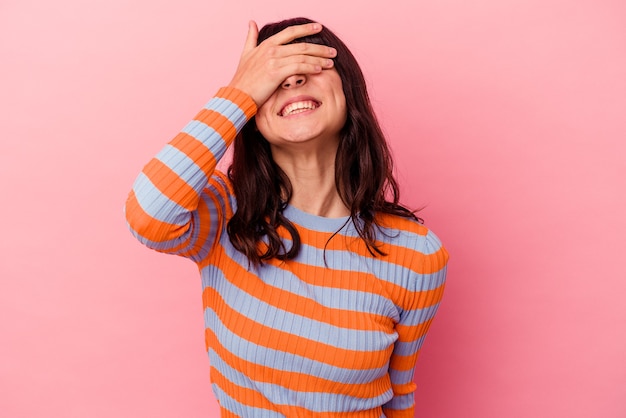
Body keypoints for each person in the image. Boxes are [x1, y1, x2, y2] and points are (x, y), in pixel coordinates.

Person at [125, 17, 448, 418]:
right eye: (273, 76)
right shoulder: (226, 214)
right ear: (253, 114)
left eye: (310, 66)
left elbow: (399, 397)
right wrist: (239, 92)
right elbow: (148, 215)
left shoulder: (416, 255)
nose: (291, 81)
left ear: (349, 91)